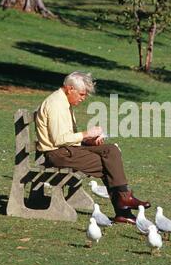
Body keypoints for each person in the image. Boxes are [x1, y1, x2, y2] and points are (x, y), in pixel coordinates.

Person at [35, 71, 150, 224]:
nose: (83, 98)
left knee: (110, 151)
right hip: (57, 154)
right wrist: (86, 133)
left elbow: (67, 137)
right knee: (109, 165)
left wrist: (89, 141)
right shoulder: (56, 105)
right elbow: (58, 140)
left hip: (68, 149)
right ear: (70, 89)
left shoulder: (64, 102)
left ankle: (124, 200)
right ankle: (123, 208)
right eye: (82, 94)